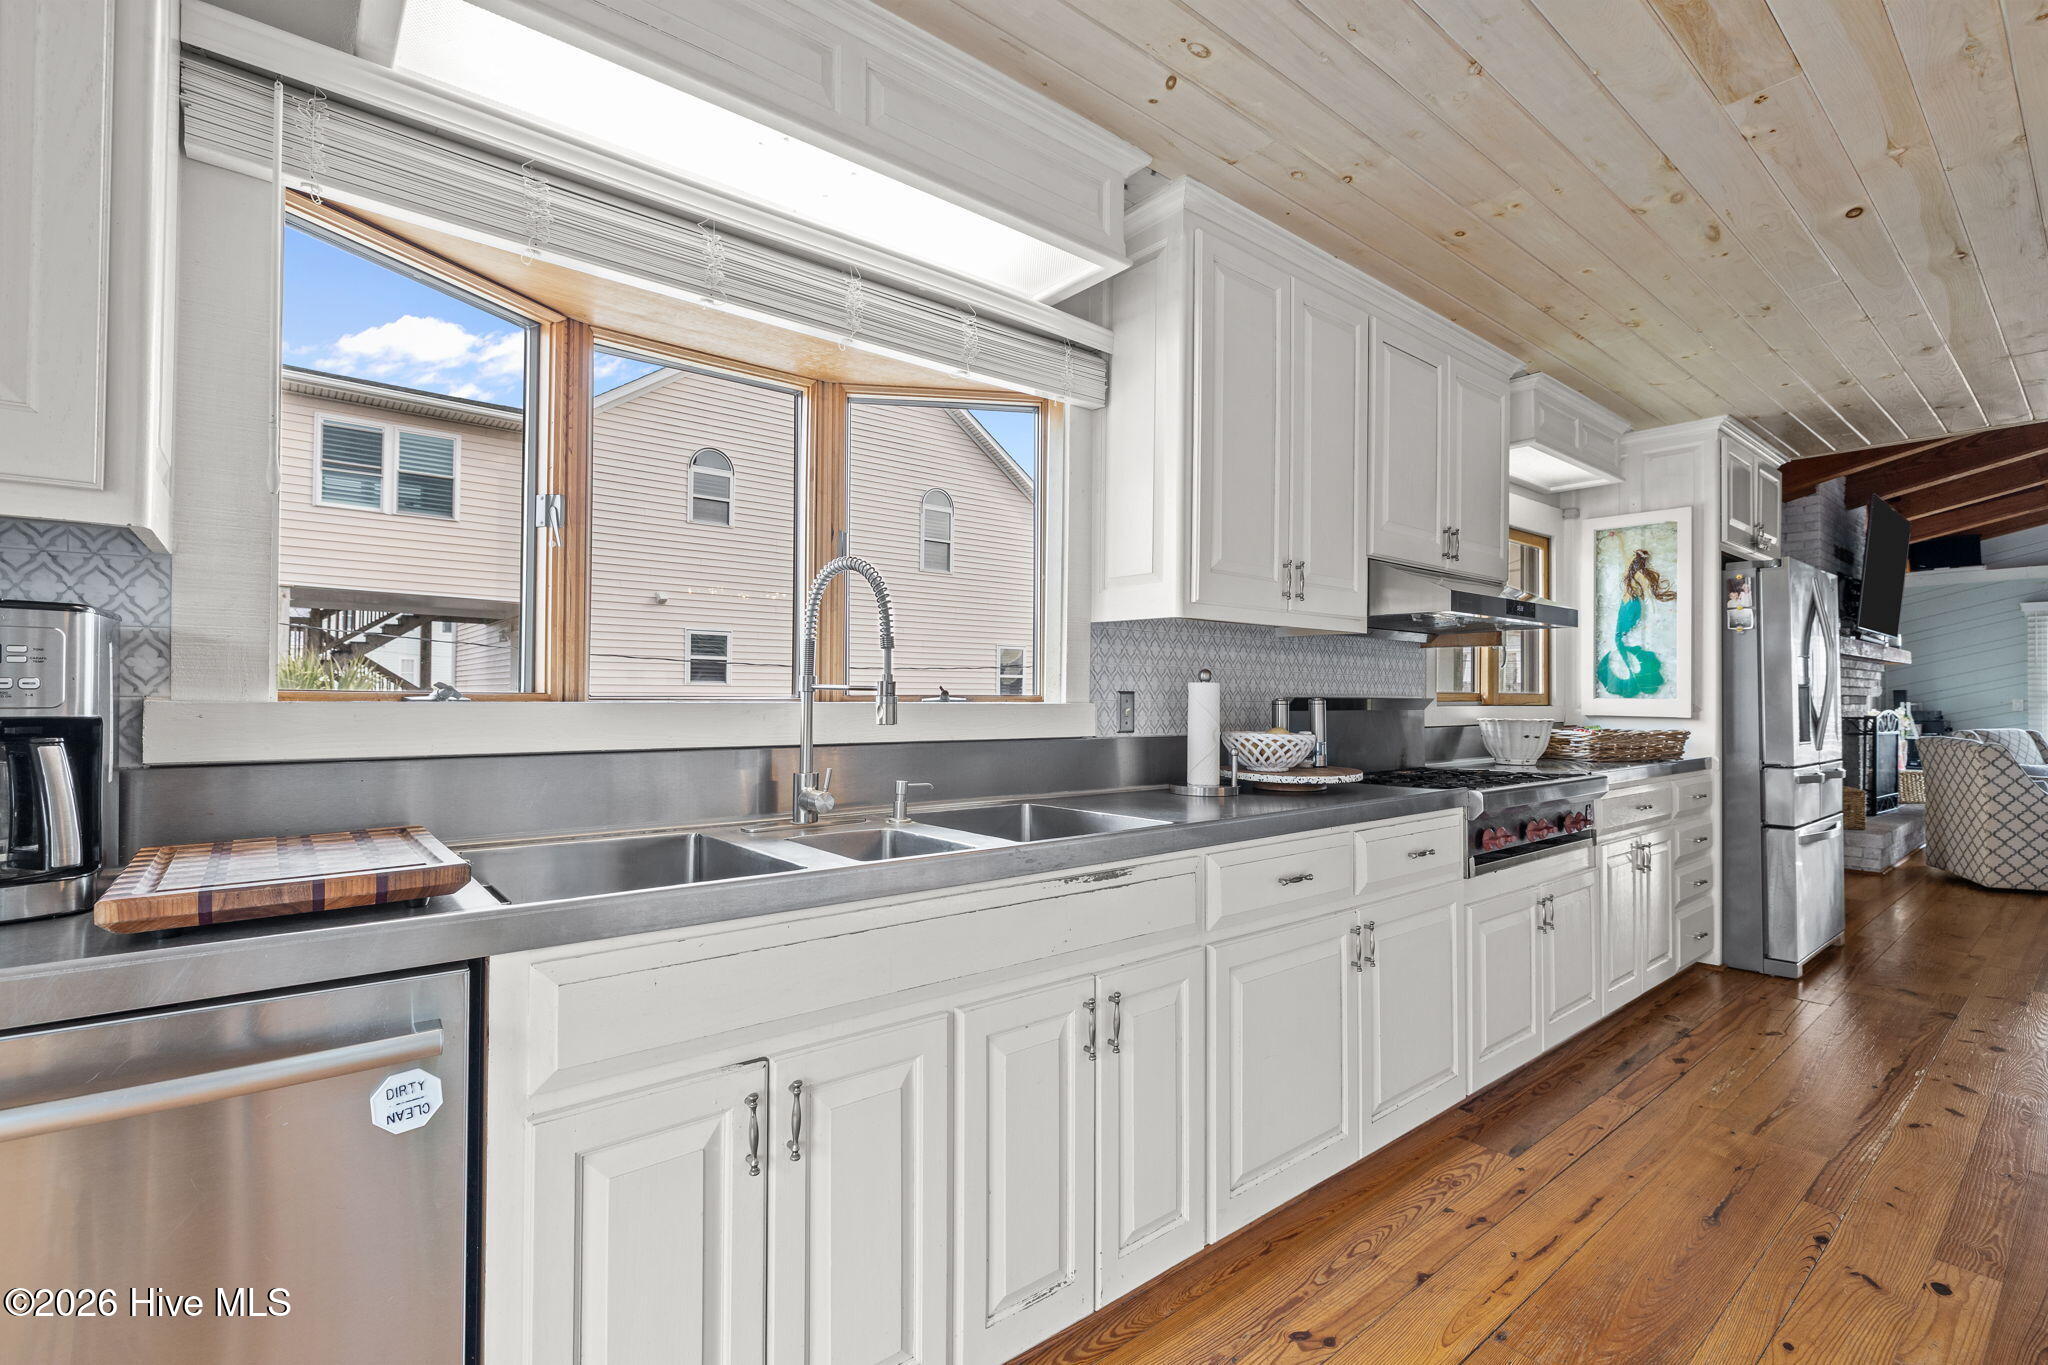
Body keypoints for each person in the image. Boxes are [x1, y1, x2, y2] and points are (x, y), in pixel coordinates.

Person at [1597, 546, 1677, 698]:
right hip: (1629, 623)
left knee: (1622, 646)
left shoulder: (1633, 590)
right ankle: (1634, 680)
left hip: (1630, 621)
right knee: (1622, 646)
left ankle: (1635, 680)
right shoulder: (1632, 589)